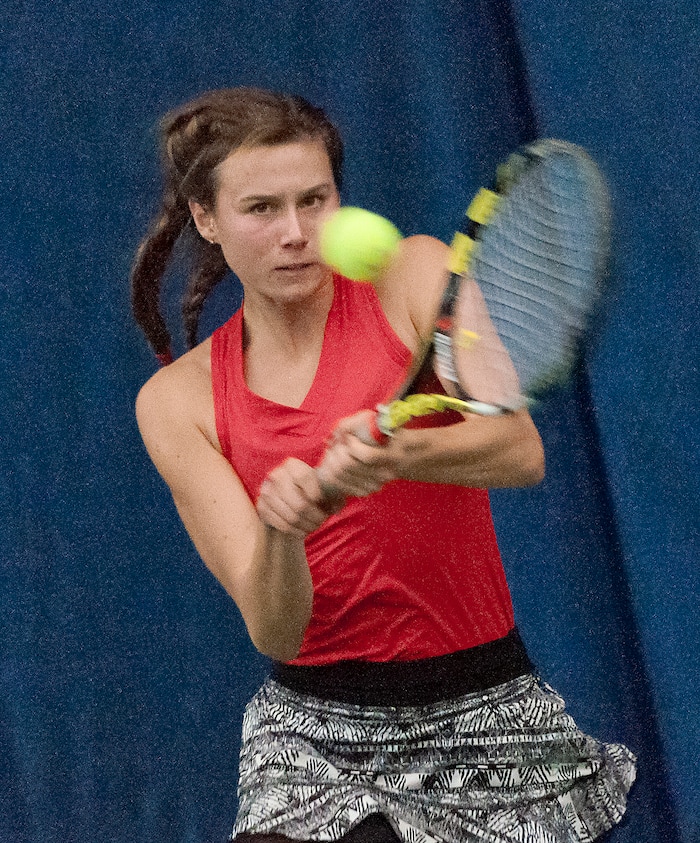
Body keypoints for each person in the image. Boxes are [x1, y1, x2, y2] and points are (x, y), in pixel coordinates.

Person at [131, 87, 636, 843]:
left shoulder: (413, 276)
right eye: (261, 209)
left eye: (315, 199)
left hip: (485, 708)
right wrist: (281, 528)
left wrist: (398, 451)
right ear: (206, 218)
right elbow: (277, 628)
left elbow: (519, 449)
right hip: (315, 736)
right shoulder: (178, 402)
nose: (295, 232)